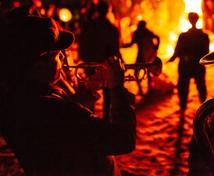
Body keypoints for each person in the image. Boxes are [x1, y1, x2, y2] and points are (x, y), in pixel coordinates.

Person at [0, 15, 136, 176]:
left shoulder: (21, 98)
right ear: (37, 67)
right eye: (58, 56)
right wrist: (117, 88)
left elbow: (69, 131)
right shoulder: (52, 111)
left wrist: (88, 90)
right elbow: (123, 140)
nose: (63, 60)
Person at [78, 0, 121, 120]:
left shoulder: (88, 25)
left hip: (90, 63)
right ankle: (106, 118)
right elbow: (115, 51)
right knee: (108, 93)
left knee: (90, 92)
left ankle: (89, 117)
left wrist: (84, 58)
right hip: (105, 64)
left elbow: (82, 44)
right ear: (108, 11)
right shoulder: (112, 29)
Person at [167, 12, 210, 112]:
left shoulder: (183, 36)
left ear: (189, 20)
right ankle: (204, 108)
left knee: (183, 88)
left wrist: (172, 59)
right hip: (198, 66)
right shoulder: (204, 36)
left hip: (185, 66)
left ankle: (183, 108)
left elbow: (177, 51)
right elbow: (206, 52)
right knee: (201, 87)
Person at [122, 20, 160, 96]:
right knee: (148, 72)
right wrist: (156, 47)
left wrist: (123, 46)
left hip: (142, 55)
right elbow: (157, 38)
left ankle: (142, 90)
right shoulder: (146, 31)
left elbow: (131, 44)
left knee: (138, 73)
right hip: (146, 55)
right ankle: (148, 90)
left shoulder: (138, 32)